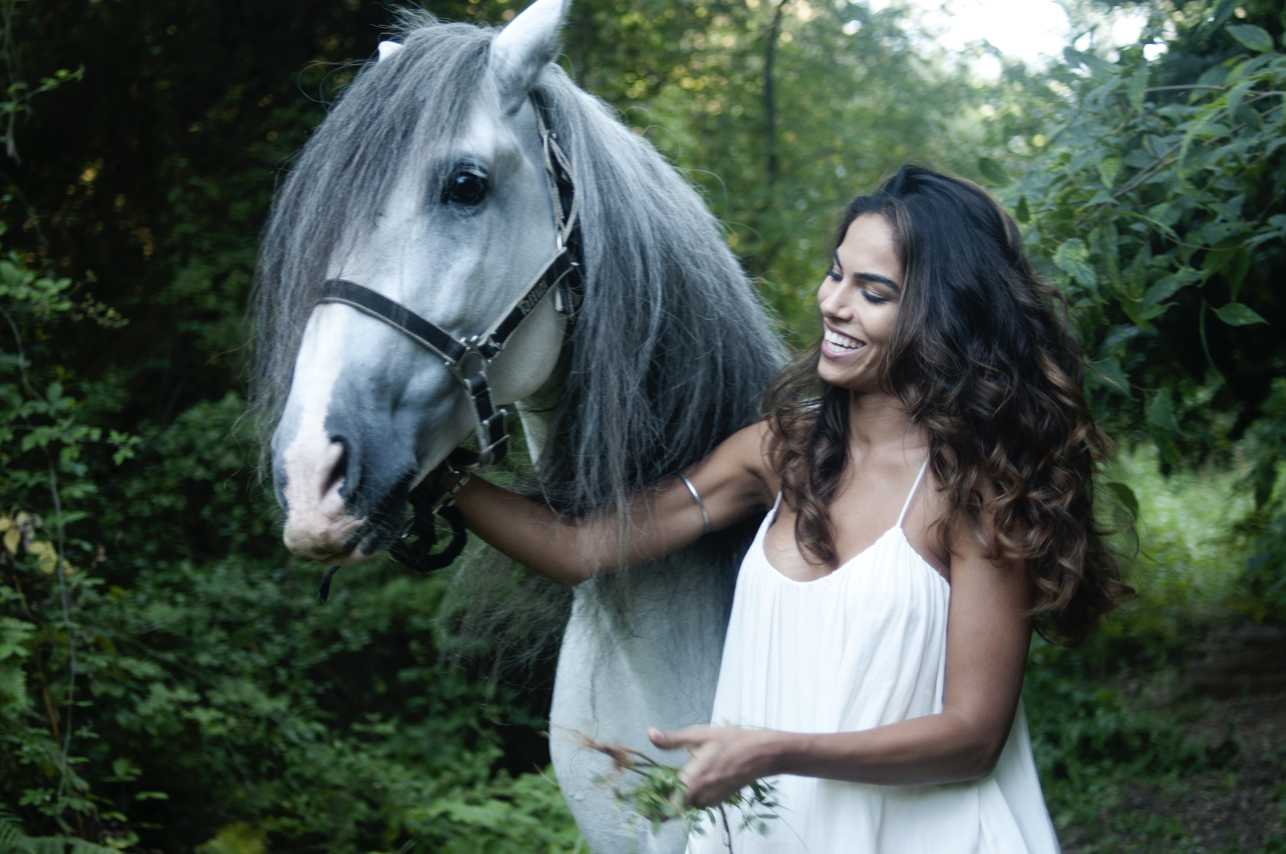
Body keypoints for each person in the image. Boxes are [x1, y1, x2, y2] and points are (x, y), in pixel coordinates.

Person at [437, 164, 1131, 852]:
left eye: (874, 291)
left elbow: (973, 737)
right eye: (836, 274)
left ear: (944, 315)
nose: (833, 303)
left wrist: (774, 751)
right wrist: (434, 478)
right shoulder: (777, 452)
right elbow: (581, 549)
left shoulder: (980, 489)